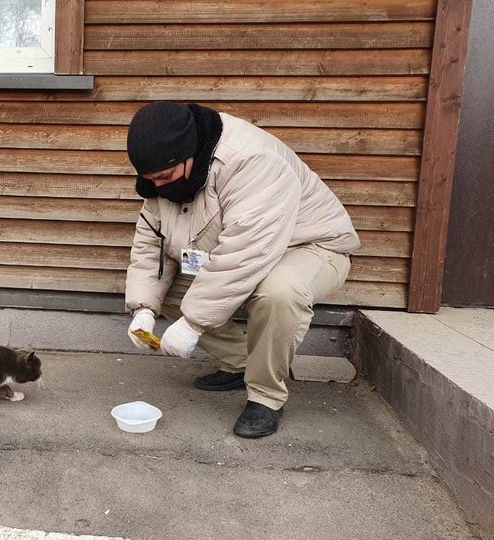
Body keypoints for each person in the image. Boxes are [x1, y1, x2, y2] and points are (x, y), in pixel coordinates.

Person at [124, 101, 360, 438]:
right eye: (151, 181)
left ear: (189, 154)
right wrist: (144, 308)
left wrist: (193, 322)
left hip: (310, 246)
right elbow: (153, 245)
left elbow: (248, 251)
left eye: (165, 178)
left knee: (279, 293)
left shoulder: (252, 161)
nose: (159, 187)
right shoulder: (163, 174)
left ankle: (266, 396)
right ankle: (241, 364)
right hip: (244, 250)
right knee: (173, 289)